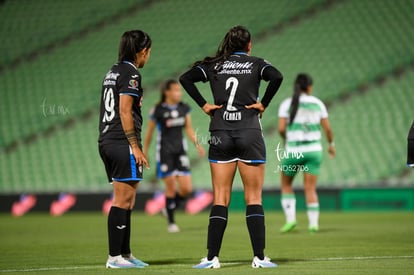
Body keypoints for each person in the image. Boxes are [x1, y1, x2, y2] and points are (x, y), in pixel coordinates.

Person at [180, 25, 283, 269]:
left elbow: (185, 78)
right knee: (254, 198)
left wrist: (204, 105)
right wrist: (263, 104)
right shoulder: (257, 63)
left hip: (220, 134)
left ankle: (211, 258)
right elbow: (277, 77)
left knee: (221, 198)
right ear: (249, 45)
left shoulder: (215, 64)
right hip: (249, 133)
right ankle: (259, 258)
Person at [98, 30, 151, 269]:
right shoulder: (131, 73)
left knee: (128, 201)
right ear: (143, 51)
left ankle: (126, 254)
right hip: (122, 141)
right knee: (122, 201)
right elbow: (124, 110)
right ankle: (114, 257)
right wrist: (135, 146)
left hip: (107, 140)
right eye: (148, 52)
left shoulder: (113, 71)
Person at [143, 79, 209, 233]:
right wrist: (144, 151)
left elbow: (189, 129)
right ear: (167, 92)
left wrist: (197, 144)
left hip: (181, 152)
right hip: (165, 152)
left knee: (186, 189)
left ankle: (168, 207)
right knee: (171, 187)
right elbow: (149, 133)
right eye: (176, 90)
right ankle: (171, 222)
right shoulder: (157, 110)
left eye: (179, 90)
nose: (179, 93)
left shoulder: (184, 108)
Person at [277, 73, 335, 234]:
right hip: (314, 150)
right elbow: (328, 129)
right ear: (309, 87)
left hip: (294, 151)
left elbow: (281, 128)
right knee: (310, 188)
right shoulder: (318, 103)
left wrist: (286, 140)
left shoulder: (287, 104)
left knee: (286, 185)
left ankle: (290, 220)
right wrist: (331, 144)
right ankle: (313, 224)